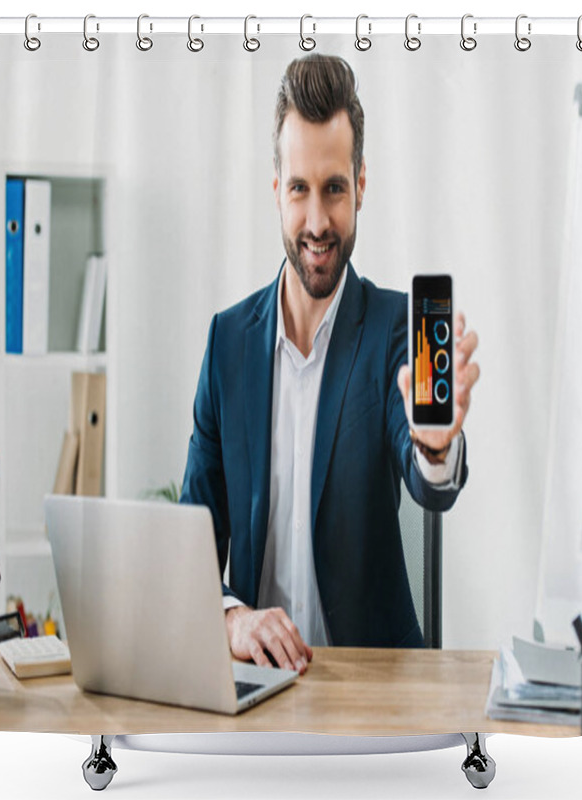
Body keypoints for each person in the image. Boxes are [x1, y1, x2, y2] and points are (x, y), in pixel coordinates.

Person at [180, 54, 480, 675]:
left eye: (335, 189)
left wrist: (435, 448)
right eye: (300, 190)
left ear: (361, 185)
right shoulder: (228, 344)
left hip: (374, 692)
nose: (317, 223)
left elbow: (429, 481)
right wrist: (233, 618)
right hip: (257, 692)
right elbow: (191, 551)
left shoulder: (398, 329)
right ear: (277, 189)